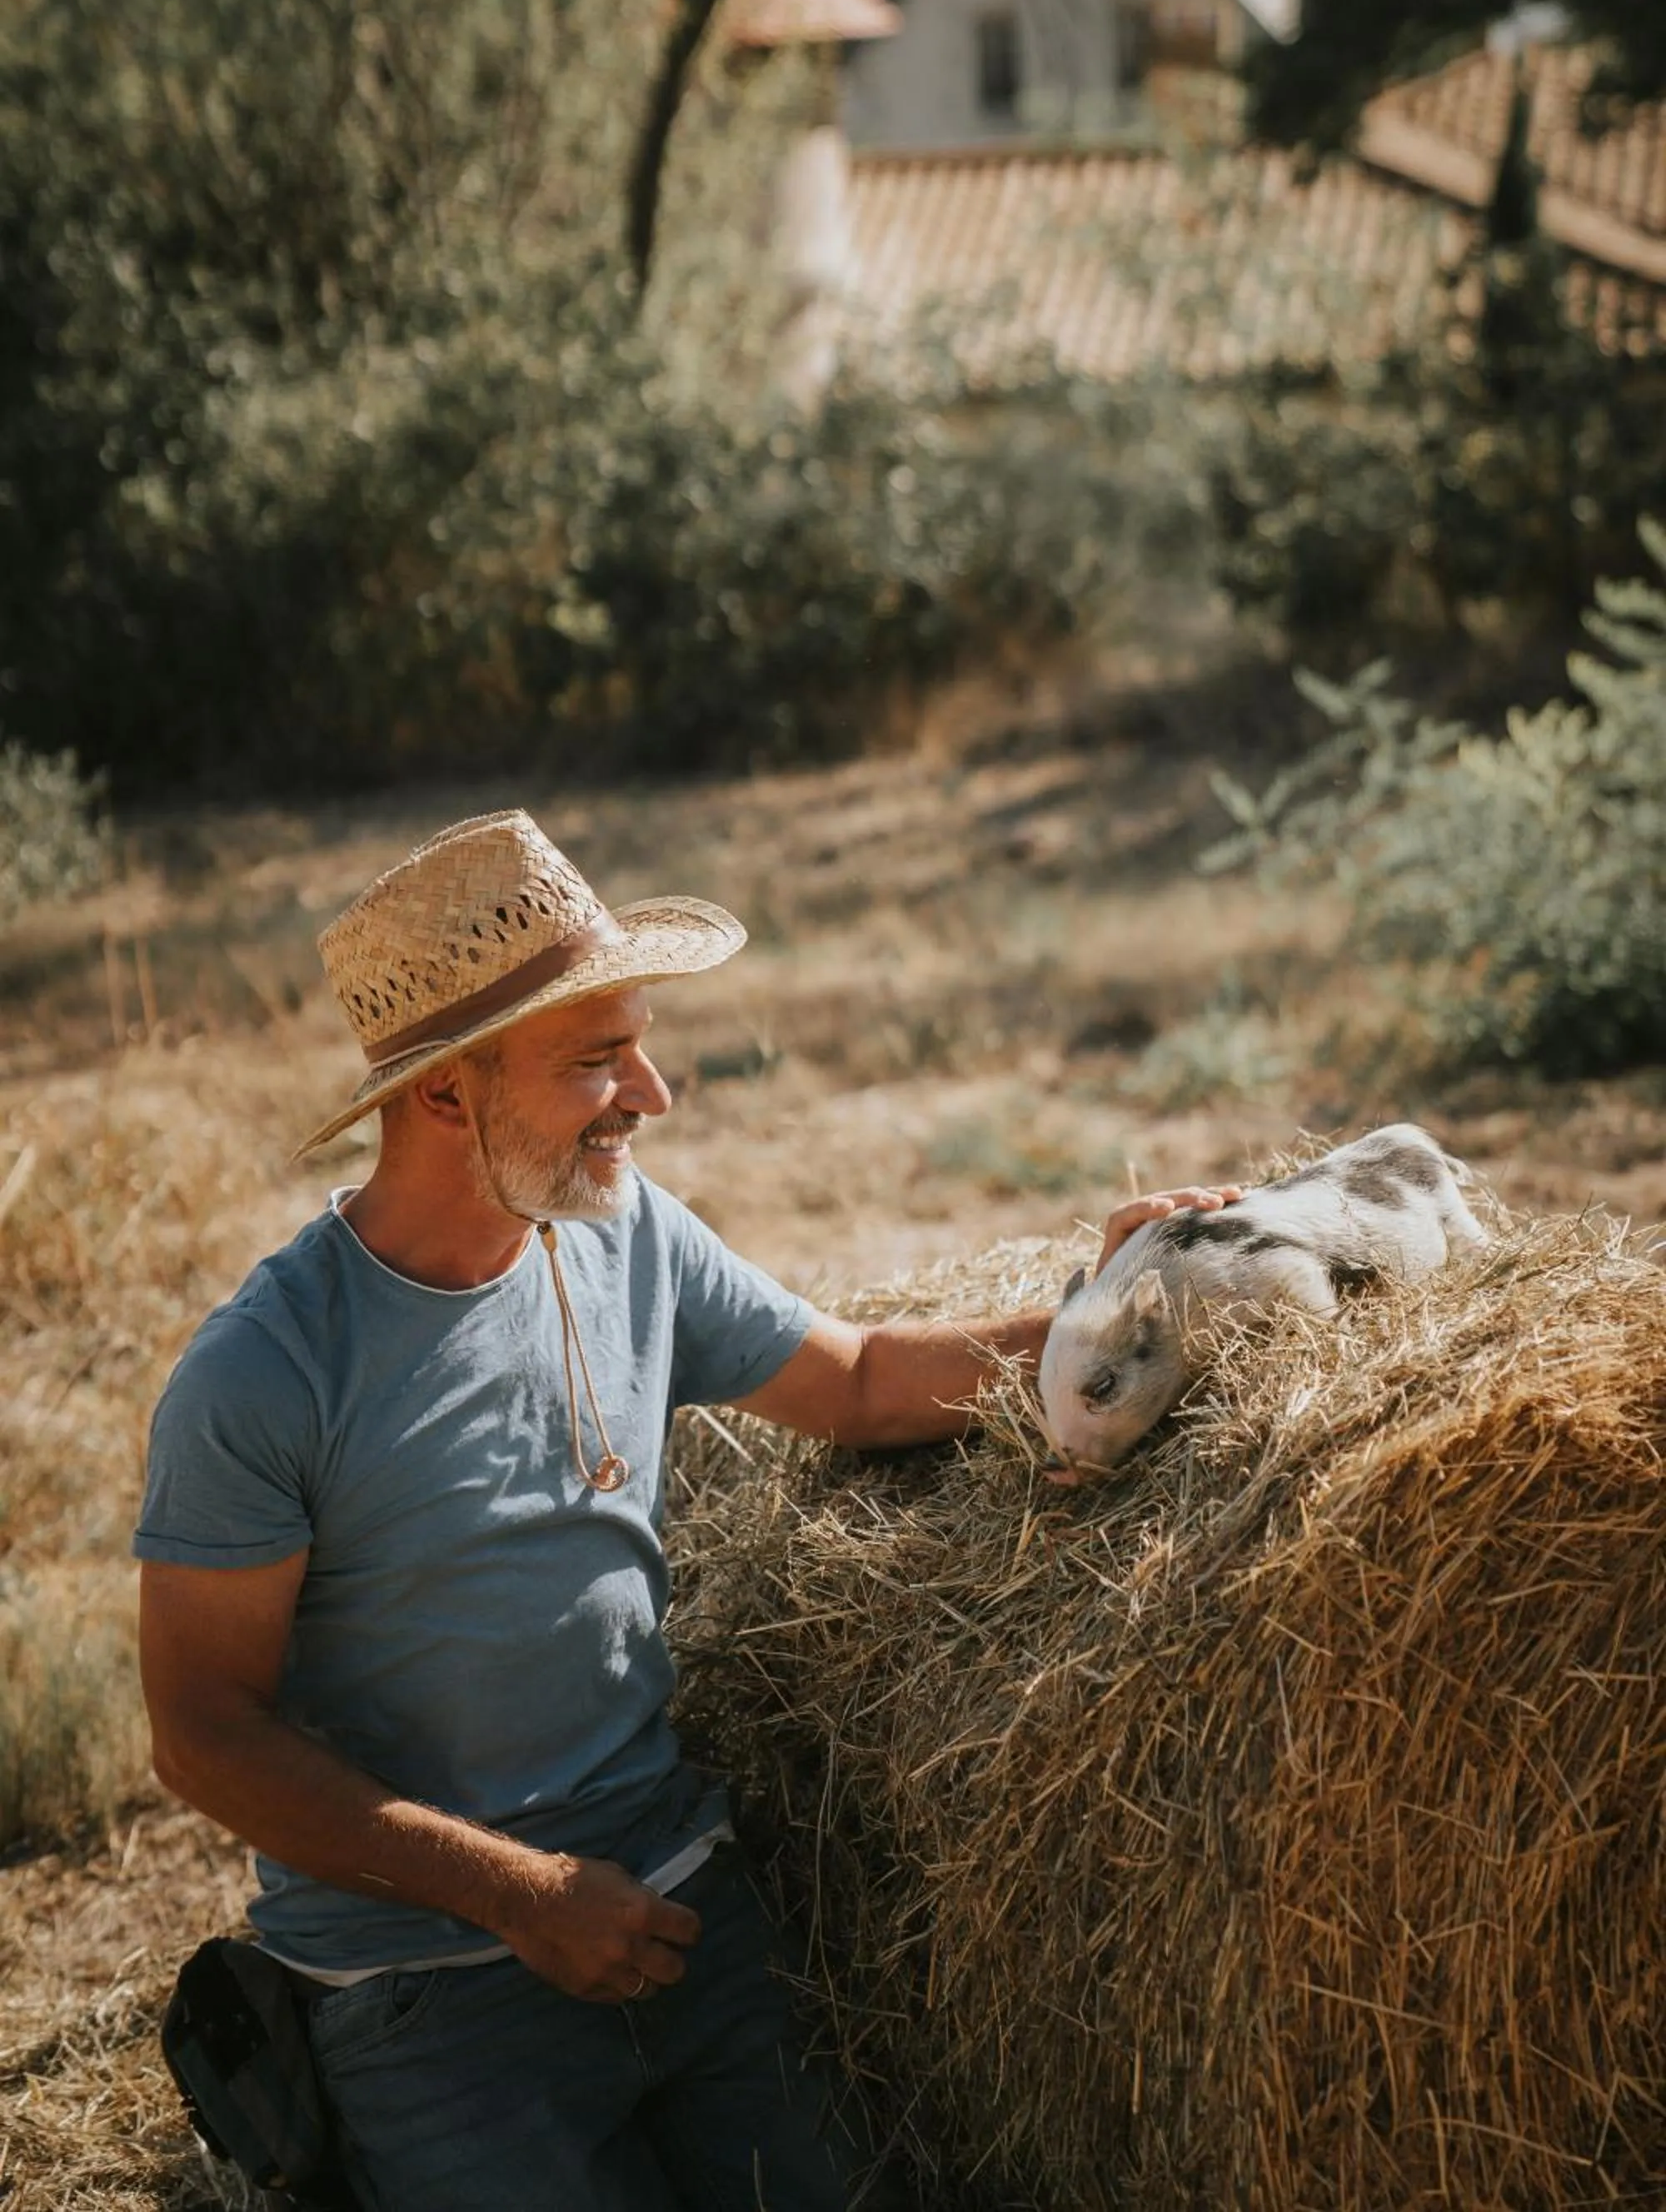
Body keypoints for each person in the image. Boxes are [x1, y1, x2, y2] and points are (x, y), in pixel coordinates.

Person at [134, 810, 1236, 2212]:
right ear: (445, 1096)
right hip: (430, 1986)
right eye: (595, 1060)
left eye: (638, 1042)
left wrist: (1124, 1307)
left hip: (682, 1911)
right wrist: (522, 1898)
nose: (650, 1093)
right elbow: (204, 1735)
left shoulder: (625, 1230)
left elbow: (859, 1381)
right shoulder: (267, 1373)